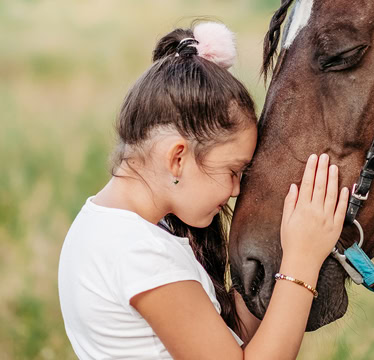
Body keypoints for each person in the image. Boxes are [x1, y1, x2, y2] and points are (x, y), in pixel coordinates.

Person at [58, 22, 350, 359]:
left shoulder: (114, 229)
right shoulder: (140, 254)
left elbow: (227, 340)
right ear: (178, 158)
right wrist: (302, 259)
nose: (237, 189)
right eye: (233, 171)